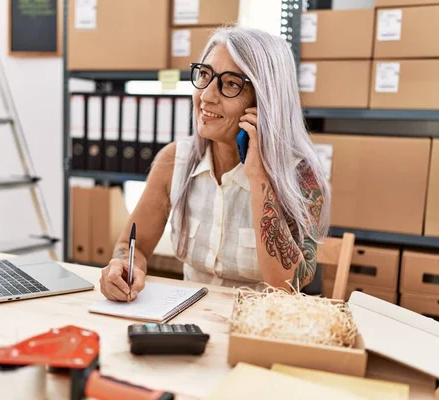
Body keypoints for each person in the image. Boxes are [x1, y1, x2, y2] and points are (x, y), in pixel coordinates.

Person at [98, 26, 331, 302]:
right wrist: (123, 268)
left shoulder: (300, 176)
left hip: (257, 328)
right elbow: (129, 246)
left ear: (265, 101)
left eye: (231, 83)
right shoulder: (175, 161)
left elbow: (286, 287)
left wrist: (259, 177)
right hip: (188, 320)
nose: (206, 96)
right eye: (205, 75)